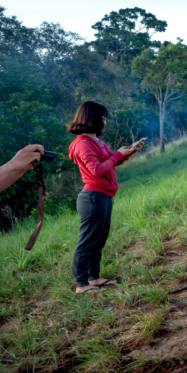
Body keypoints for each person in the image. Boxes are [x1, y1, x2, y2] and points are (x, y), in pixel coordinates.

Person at [66, 101, 144, 294]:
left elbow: (111, 162)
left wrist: (129, 152)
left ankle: (94, 278)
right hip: (93, 197)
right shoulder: (83, 143)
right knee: (87, 241)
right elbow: (97, 169)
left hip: (104, 195)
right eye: (102, 118)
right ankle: (81, 284)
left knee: (99, 240)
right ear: (91, 118)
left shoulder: (96, 140)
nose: (105, 122)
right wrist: (118, 154)